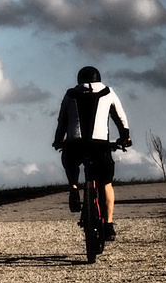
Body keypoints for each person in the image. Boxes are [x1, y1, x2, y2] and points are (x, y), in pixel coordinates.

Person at [53, 65, 131, 241]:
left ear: (79, 80)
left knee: (69, 160)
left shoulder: (70, 94)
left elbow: (62, 120)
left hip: (75, 145)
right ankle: (109, 225)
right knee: (106, 184)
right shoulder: (108, 92)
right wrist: (125, 137)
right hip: (99, 145)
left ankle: (73, 187)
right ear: (99, 79)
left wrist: (59, 140)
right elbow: (120, 117)